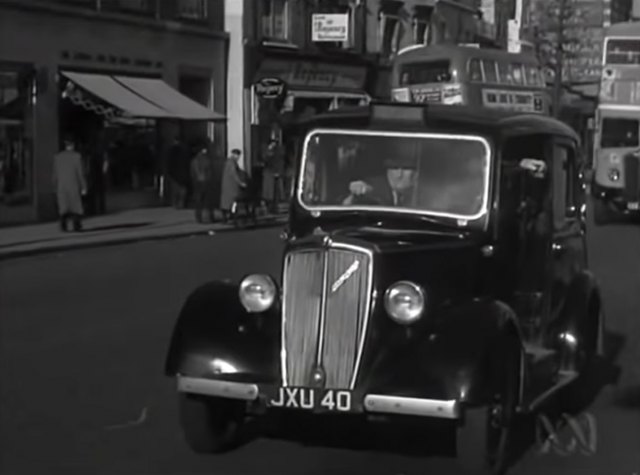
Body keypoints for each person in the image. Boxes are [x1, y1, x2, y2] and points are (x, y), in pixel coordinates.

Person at [343, 154, 418, 207]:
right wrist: (357, 192)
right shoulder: (374, 190)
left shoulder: (402, 196)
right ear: (399, 173)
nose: (416, 178)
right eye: (414, 173)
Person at [53, 137, 87, 232]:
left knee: (63, 207)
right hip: (73, 184)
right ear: (72, 145)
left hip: (62, 186)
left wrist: (54, 186)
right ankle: (77, 226)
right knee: (76, 206)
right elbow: (80, 173)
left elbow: (55, 174)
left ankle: (63, 226)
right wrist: (84, 186)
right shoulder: (77, 156)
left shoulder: (58, 157)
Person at [220, 149, 247, 222]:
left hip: (228, 185)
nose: (238, 157)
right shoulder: (231, 163)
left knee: (227, 202)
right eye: (238, 155)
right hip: (231, 185)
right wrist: (240, 183)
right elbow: (234, 174)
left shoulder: (229, 162)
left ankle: (226, 216)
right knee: (232, 201)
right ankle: (229, 216)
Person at [190, 142, 214, 223]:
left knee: (198, 201)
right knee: (207, 201)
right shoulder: (206, 159)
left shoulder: (194, 160)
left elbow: (193, 172)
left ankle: (199, 217)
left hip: (197, 182)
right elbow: (209, 171)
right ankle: (208, 217)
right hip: (206, 181)